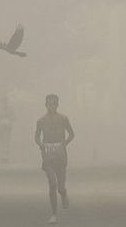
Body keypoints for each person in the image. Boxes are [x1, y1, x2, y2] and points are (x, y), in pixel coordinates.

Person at [34, 94, 75, 225]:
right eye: (49, 104)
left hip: (60, 153)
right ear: (45, 105)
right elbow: (36, 137)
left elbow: (71, 134)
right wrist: (40, 144)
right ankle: (54, 214)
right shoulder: (41, 121)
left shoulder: (63, 119)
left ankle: (63, 193)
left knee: (60, 186)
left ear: (57, 105)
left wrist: (64, 143)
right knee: (52, 184)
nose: (51, 106)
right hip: (47, 153)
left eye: (54, 104)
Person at [0, 97, 16, 163]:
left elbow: (14, 117)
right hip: (1, 127)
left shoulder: (10, 109)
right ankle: (3, 155)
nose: (5, 103)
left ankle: (6, 155)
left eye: (5, 102)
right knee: (2, 140)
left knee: (7, 140)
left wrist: (9, 120)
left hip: (8, 127)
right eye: (4, 102)